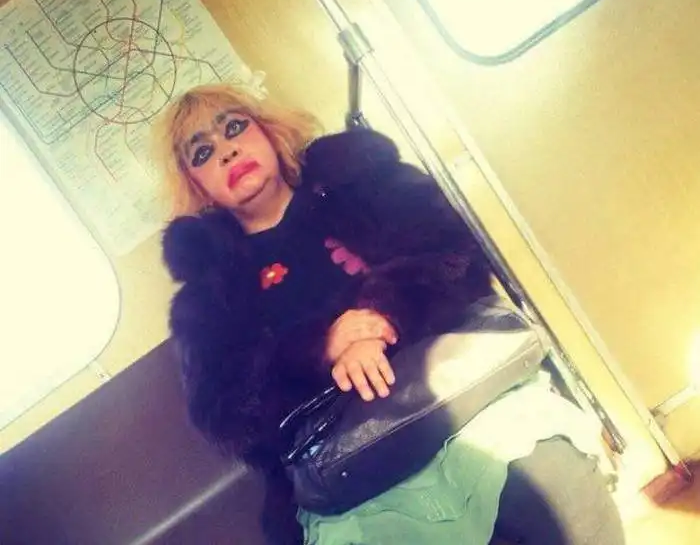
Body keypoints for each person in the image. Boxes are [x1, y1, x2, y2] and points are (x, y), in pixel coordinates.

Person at [153, 83, 625, 545]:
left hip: (459, 393)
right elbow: (224, 411)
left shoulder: (358, 182)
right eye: (202, 152)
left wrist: (380, 316)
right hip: (352, 465)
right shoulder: (209, 295)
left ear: (266, 129)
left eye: (234, 127)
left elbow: (452, 251)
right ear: (197, 185)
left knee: (558, 496)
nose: (227, 152)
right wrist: (321, 347)